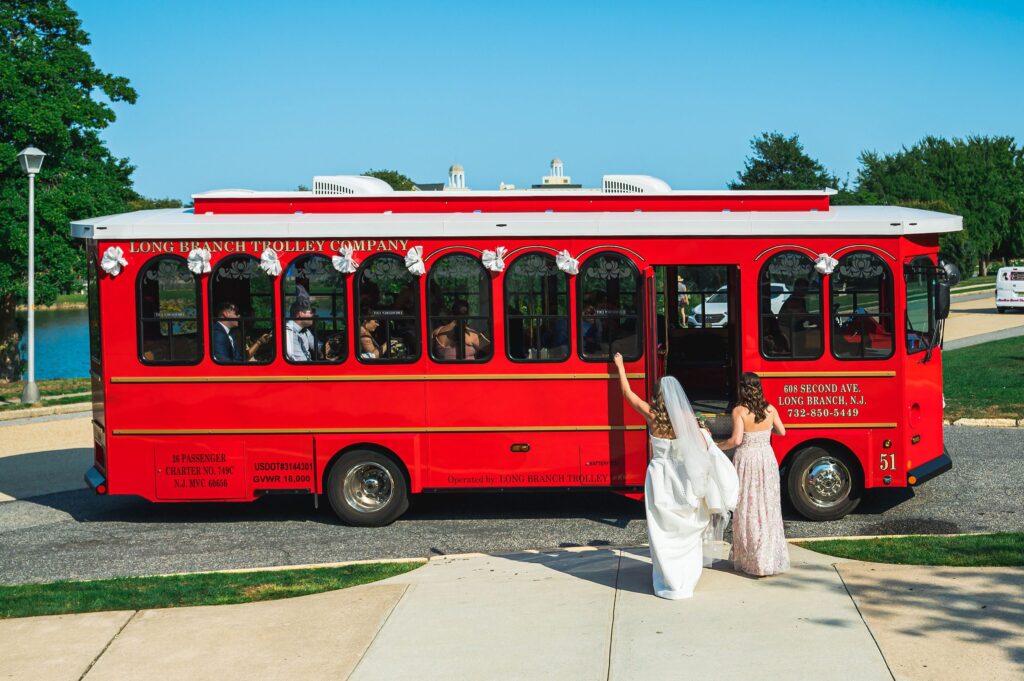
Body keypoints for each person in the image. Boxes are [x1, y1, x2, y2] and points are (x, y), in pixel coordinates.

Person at [613, 353, 738, 599]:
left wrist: (620, 366)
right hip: (682, 480)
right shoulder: (687, 422)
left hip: (660, 479)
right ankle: (685, 578)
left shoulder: (651, 417)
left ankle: (668, 579)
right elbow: (702, 448)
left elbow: (627, 394)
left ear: (657, 397)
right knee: (686, 531)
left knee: (662, 531)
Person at [717, 372, 790, 577]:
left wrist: (716, 446)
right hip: (767, 459)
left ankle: (752, 559)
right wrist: (764, 434)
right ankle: (768, 558)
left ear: (742, 389)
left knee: (749, 508)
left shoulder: (739, 410)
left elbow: (736, 440)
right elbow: (782, 432)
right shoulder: (770, 408)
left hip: (747, 461)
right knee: (768, 507)